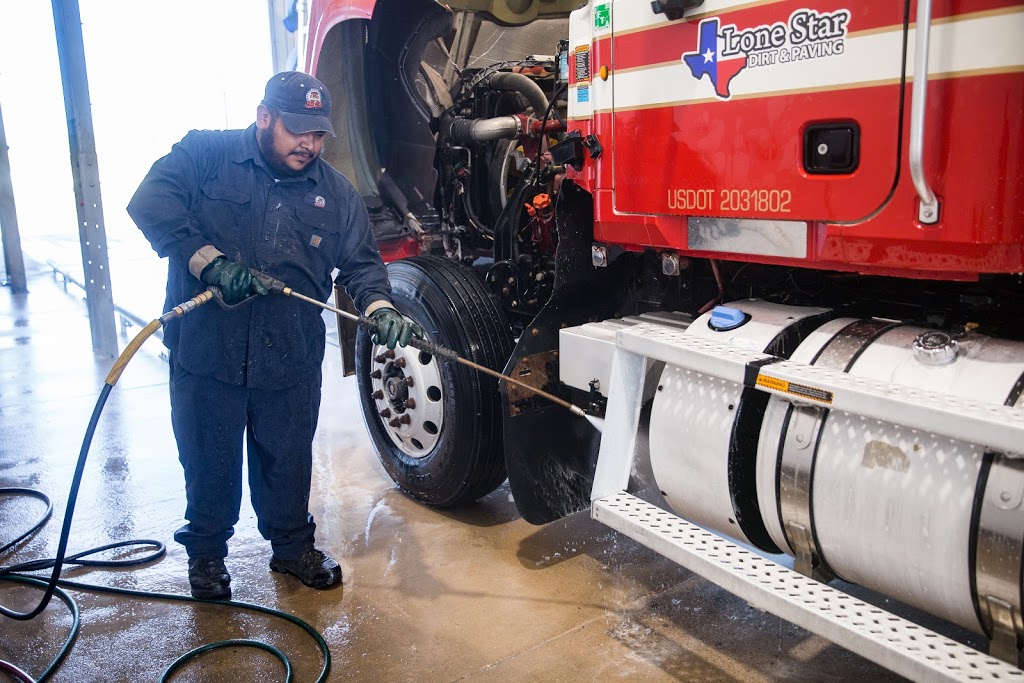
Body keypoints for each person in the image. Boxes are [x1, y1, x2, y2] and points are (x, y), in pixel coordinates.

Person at [127, 71, 422, 600]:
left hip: (288, 357)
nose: (308, 144)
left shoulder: (334, 193)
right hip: (207, 351)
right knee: (208, 458)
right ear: (265, 117)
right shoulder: (203, 156)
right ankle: (207, 557)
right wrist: (208, 263)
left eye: (318, 134)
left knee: (287, 459)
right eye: (297, 131)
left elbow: (361, 264)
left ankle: (290, 550)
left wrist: (379, 306)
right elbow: (149, 202)